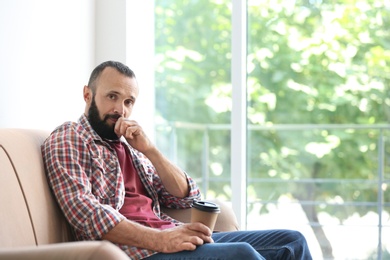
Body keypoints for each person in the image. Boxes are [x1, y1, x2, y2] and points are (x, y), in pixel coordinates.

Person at [42, 60, 312, 259]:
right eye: (112, 97)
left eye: (128, 102)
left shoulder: (132, 147)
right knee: (243, 255)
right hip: (137, 252)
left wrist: (151, 151)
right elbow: (86, 213)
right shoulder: (70, 137)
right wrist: (161, 239)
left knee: (293, 241)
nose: (120, 110)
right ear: (88, 94)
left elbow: (184, 197)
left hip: (172, 237)